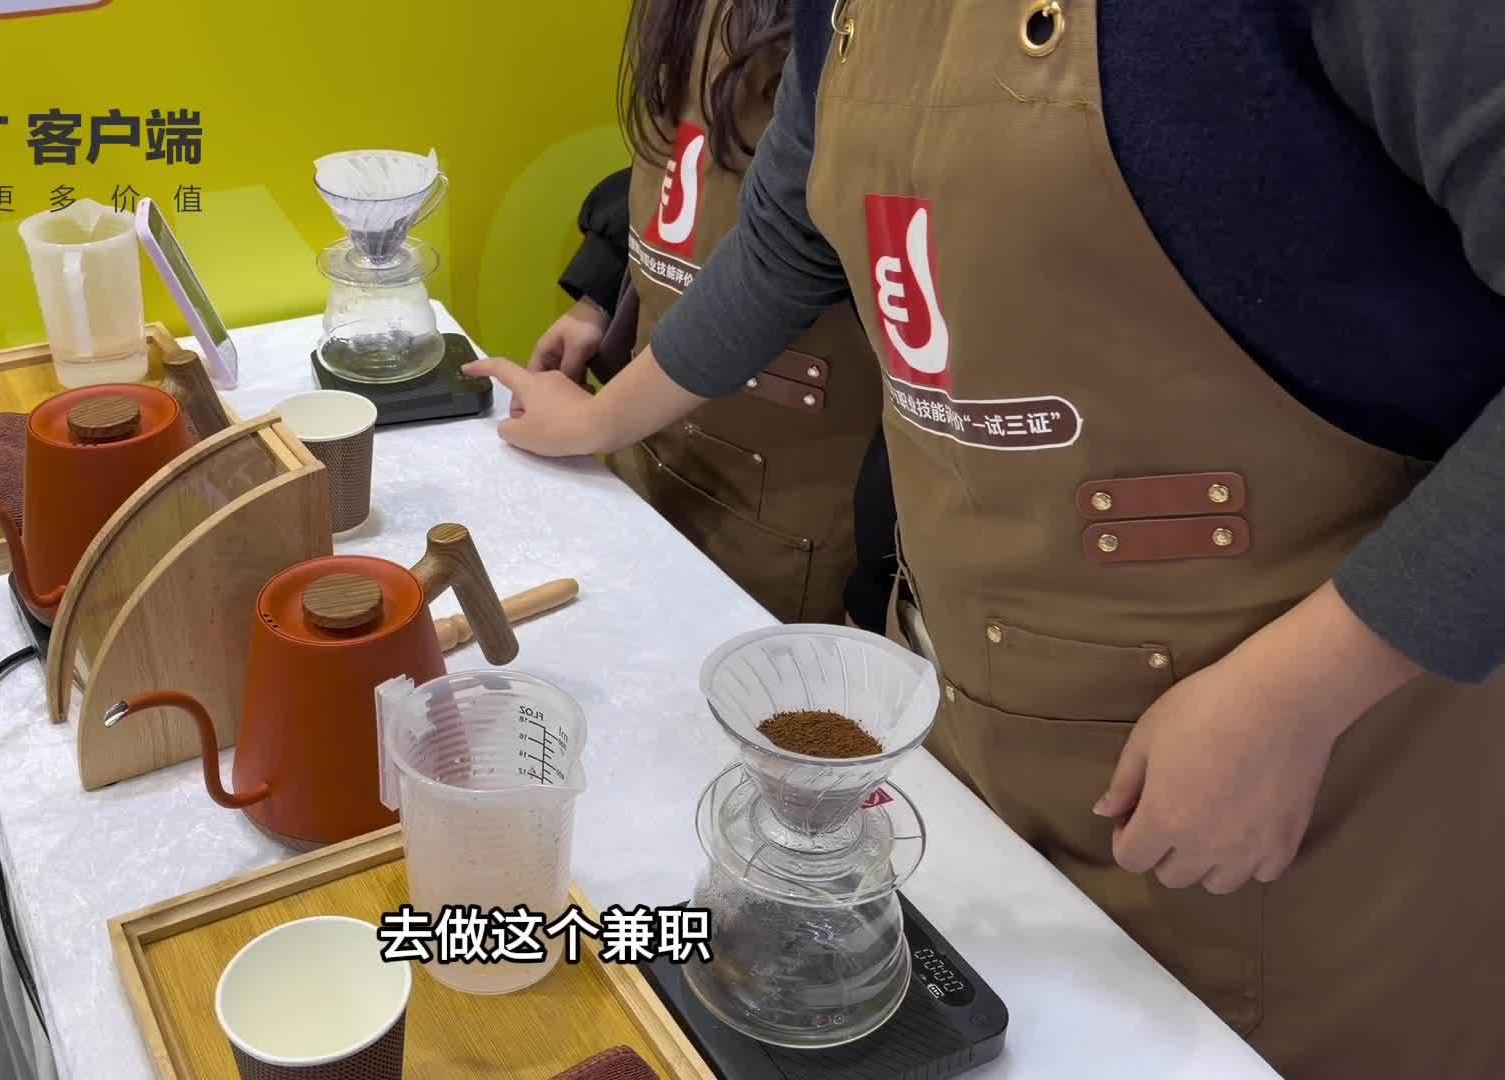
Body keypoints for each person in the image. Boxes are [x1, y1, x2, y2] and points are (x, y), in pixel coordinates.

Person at [466, 1, 1505, 1076]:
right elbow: (786, 233)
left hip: (1315, 775)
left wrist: (1302, 694)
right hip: (980, 721)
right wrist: (604, 415)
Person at [531, 0, 895, 628]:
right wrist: (606, 289)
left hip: (790, 468)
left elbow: (789, 240)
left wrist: (593, 421)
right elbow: (685, 158)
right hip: (651, 431)